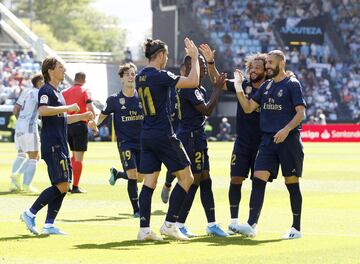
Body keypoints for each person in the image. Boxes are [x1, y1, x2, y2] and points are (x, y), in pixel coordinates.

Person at [233, 50, 306, 239]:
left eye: (270, 63)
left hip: (288, 141)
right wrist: (239, 87)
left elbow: (300, 113)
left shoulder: (292, 84)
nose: (267, 66)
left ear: (281, 63)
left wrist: (286, 130)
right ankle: (251, 224)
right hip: (267, 141)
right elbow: (248, 108)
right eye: (267, 64)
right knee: (258, 180)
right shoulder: (265, 86)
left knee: (291, 183)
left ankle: (296, 228)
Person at [20, 57, 94, 235]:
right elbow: (43, 111)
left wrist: (83, 115)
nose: (64, 70)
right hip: (53, 144)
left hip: (60, 143)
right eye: (61, 67)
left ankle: (49, 225)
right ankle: (30, 213)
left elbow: (63, 119)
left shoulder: (57, 92)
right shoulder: (45, 90)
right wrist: (68, 107)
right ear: (50, 71)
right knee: (62, 185)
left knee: (64, 185)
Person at [136, 37, 199, 241]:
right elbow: (193, 82)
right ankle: (170, 225)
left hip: (146, 134)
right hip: (163, 134)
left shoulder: (140, 76)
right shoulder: (160, 75)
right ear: (161, 55)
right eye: (167, 55)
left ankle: (144, 229)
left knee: (149, 183)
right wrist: (195, 58)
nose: (167, 59)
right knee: (187, 178)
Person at [199, 44, 266, 234]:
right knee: (235, 178)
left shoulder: (271, 88)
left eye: (258, 68)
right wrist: (210, 61)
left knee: (258, 182)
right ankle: (234, 221)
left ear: (265, 71)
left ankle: (251, 224)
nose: (253, 70)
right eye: (251, 67)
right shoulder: (242, 84)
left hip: (263, 144)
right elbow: (216, 80)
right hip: (243, 142)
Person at [162, 54, 228, 237]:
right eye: (199, 64)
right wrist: (217, 89)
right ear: (190, 68)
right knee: (194, 181)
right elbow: (207, 109)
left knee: (206, 179)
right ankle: (179, 223)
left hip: (197, 137)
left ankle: (212, 224)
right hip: (191, 139)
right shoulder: (189, 89)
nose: (204, 67)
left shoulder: (197, 89)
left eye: (204, 64)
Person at [97, 63, 144, 218]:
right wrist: (94, 125)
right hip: (125, 143)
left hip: (143, 142)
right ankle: (137, 210)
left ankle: (117, 174)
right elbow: (103, 115)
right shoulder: (114, 99)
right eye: (127, 74)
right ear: (121, 78)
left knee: (140, 177)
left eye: (133, 74)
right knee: (132, 175)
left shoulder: (142, 96)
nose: (131, 76)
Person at [62, 72, 97, 193]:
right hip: (79, 124)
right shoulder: (85, 90)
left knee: (72, 155)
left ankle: (68, 182)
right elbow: (90, 106)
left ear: (74, 79)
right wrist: (94, 123)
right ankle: (75, 186)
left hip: (67, 125)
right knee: (78, 158)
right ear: (84, 80)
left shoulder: (65, 92)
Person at [10, 74, 44, 193]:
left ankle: (13, 183)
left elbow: (15, 110)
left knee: (21, 155)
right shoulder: (38, 93)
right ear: (39, 82)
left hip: (19, 127)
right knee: (35, 157)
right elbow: (44, 110)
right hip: (29, 128)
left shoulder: (25, 91)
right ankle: (24, 183)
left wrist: (22, 120)